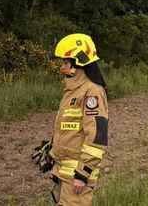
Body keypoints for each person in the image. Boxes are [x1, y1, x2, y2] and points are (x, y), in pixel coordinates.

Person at [36, 33, 109, 205]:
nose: (62, 67)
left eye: (65, 62)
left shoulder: (92, 92)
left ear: (78, 63)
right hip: (66, 175)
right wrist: (52, 151)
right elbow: (71, 130)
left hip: (77, 178)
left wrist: (83, 173)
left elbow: (97, 137)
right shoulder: (72, 91)